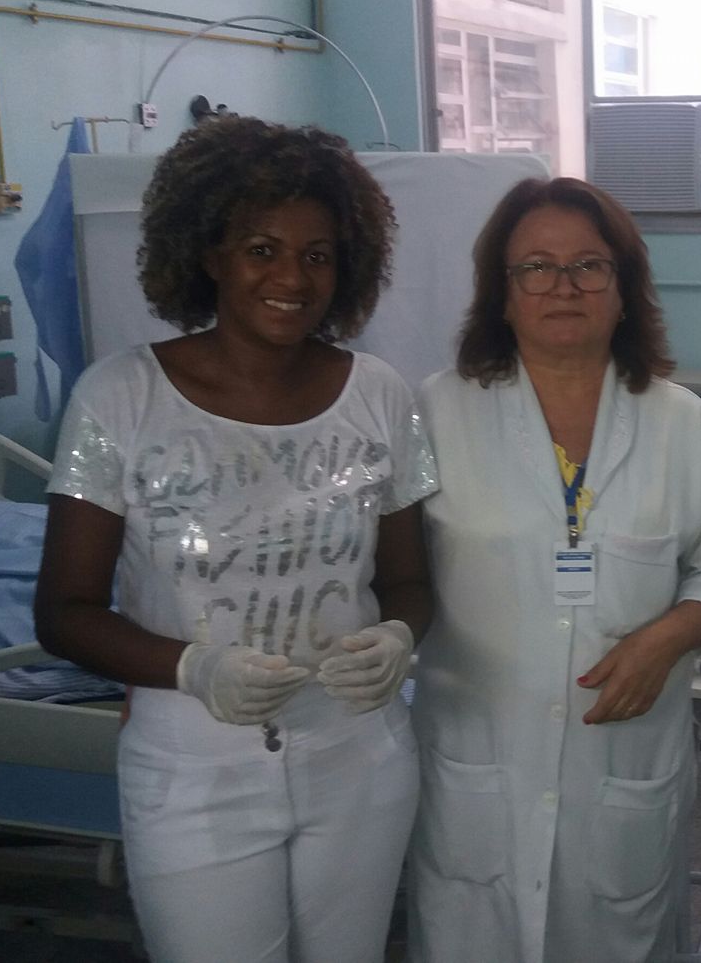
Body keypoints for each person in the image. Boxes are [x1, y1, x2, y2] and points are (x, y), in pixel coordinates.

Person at [34, 116, 436, 963]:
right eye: (261, 249)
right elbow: (64, 612)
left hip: (358, 754)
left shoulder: (380, 397)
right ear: (210, 253)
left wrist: (400, 636)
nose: (292, 277)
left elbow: (409, 581)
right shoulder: (120, 399)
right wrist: (193, 668)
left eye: (317, 254)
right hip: (192, 772)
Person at [406, 176, 701, 962]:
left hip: (623, 763)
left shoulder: (679, 422)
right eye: (536, 267)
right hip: (479, 762)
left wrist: (669, 637)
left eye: (589, 266)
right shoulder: (437, 412)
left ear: (624, 289)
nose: (563, 287)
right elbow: (393, 572)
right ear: (502, 295)